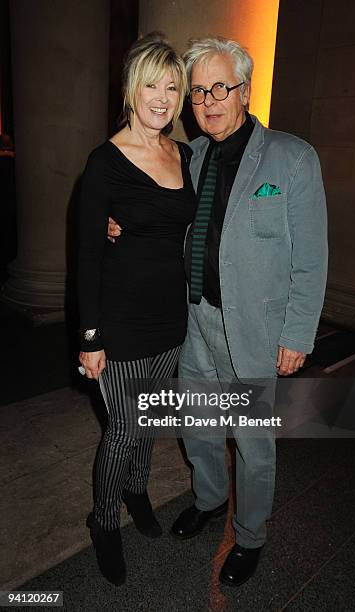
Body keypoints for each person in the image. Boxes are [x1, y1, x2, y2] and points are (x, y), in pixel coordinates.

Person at [109, 36, 328, 588]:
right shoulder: (193, 154)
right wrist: (118, 226)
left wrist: (298, 333)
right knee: (201, 426)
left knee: (252, 443)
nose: (208, 101)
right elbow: (162, 218)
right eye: (199, 91)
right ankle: (208, 499)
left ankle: (250, 534)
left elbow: (312, 258)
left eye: (220, 88)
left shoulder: (293, 158)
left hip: (254, 329)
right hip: (197, 321)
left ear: (245, 91)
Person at [78, 33, 197, 586]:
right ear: (132, 90)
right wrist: (89, 336)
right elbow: (83, 256)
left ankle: (137, 490)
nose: (163, 97)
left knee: (148, 423)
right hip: (120, 322)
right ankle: (103, 522)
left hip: (171, 319)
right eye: (152, 83)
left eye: (173, 87)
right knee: (124, 428)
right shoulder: (105, 163)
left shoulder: (184, 154)